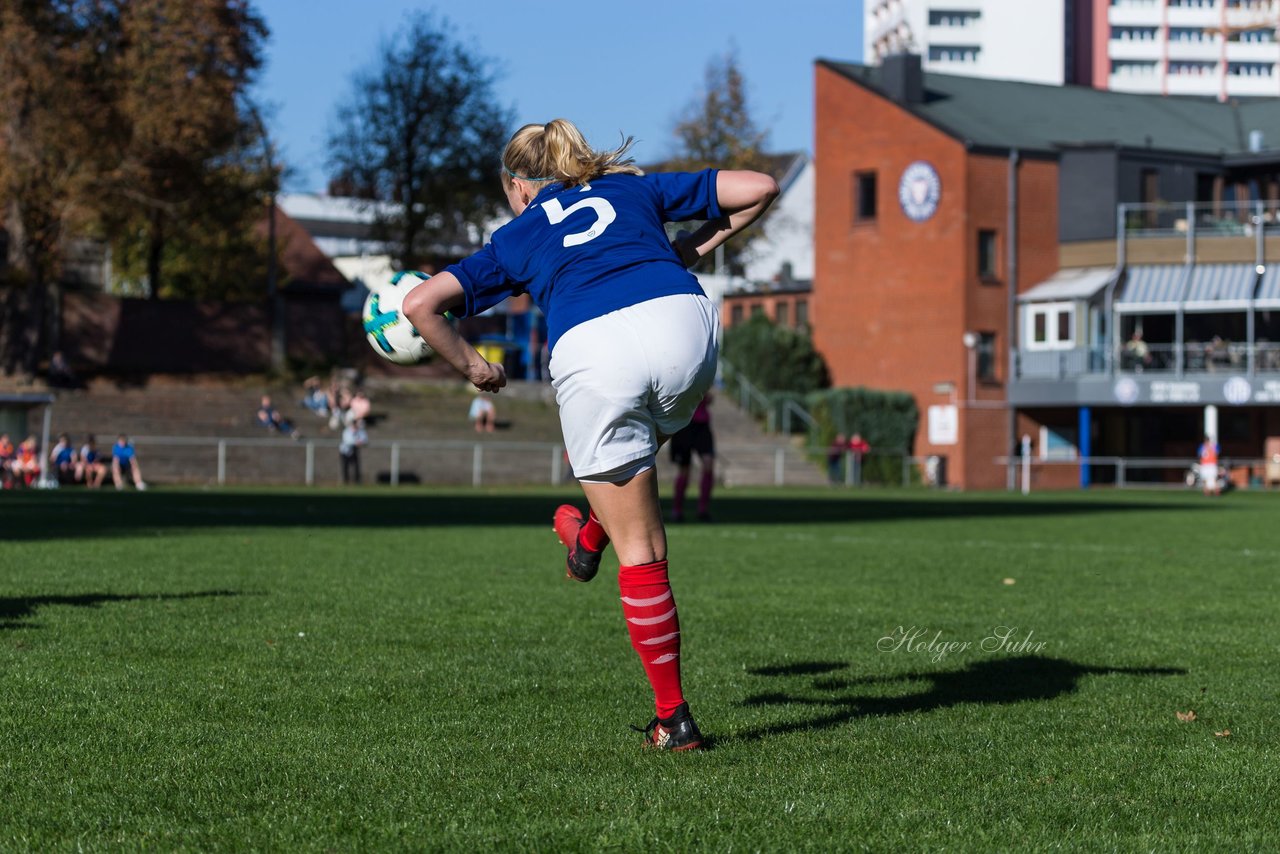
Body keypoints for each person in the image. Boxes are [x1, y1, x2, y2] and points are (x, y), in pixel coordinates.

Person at [402, 118, 778, 751]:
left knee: (644, 548)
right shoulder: (632, 190)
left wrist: (476, 369)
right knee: (636, 451)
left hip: (596, 350)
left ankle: (673, 719)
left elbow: (419, 305)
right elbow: (760, 187)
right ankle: (587, 537)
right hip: (683, 326)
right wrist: (684, 251)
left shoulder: (518, 234)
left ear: (520, 186)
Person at [669, 393, 715, 522]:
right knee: (684, 469)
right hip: (684, 425)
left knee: (708, 464)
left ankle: (703, 510)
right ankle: (677, 510)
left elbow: (709, 397)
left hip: (702, 426)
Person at [339, 418, 368, 484]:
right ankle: (345, 481)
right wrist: (356, 442)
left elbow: (365, 439)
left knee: (356, 466)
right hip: (345, 451)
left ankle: (357, 481)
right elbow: (347, 440)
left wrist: (361, 442)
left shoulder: (360, 431)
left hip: (355, 450)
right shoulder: (347, 431)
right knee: (345, 466)